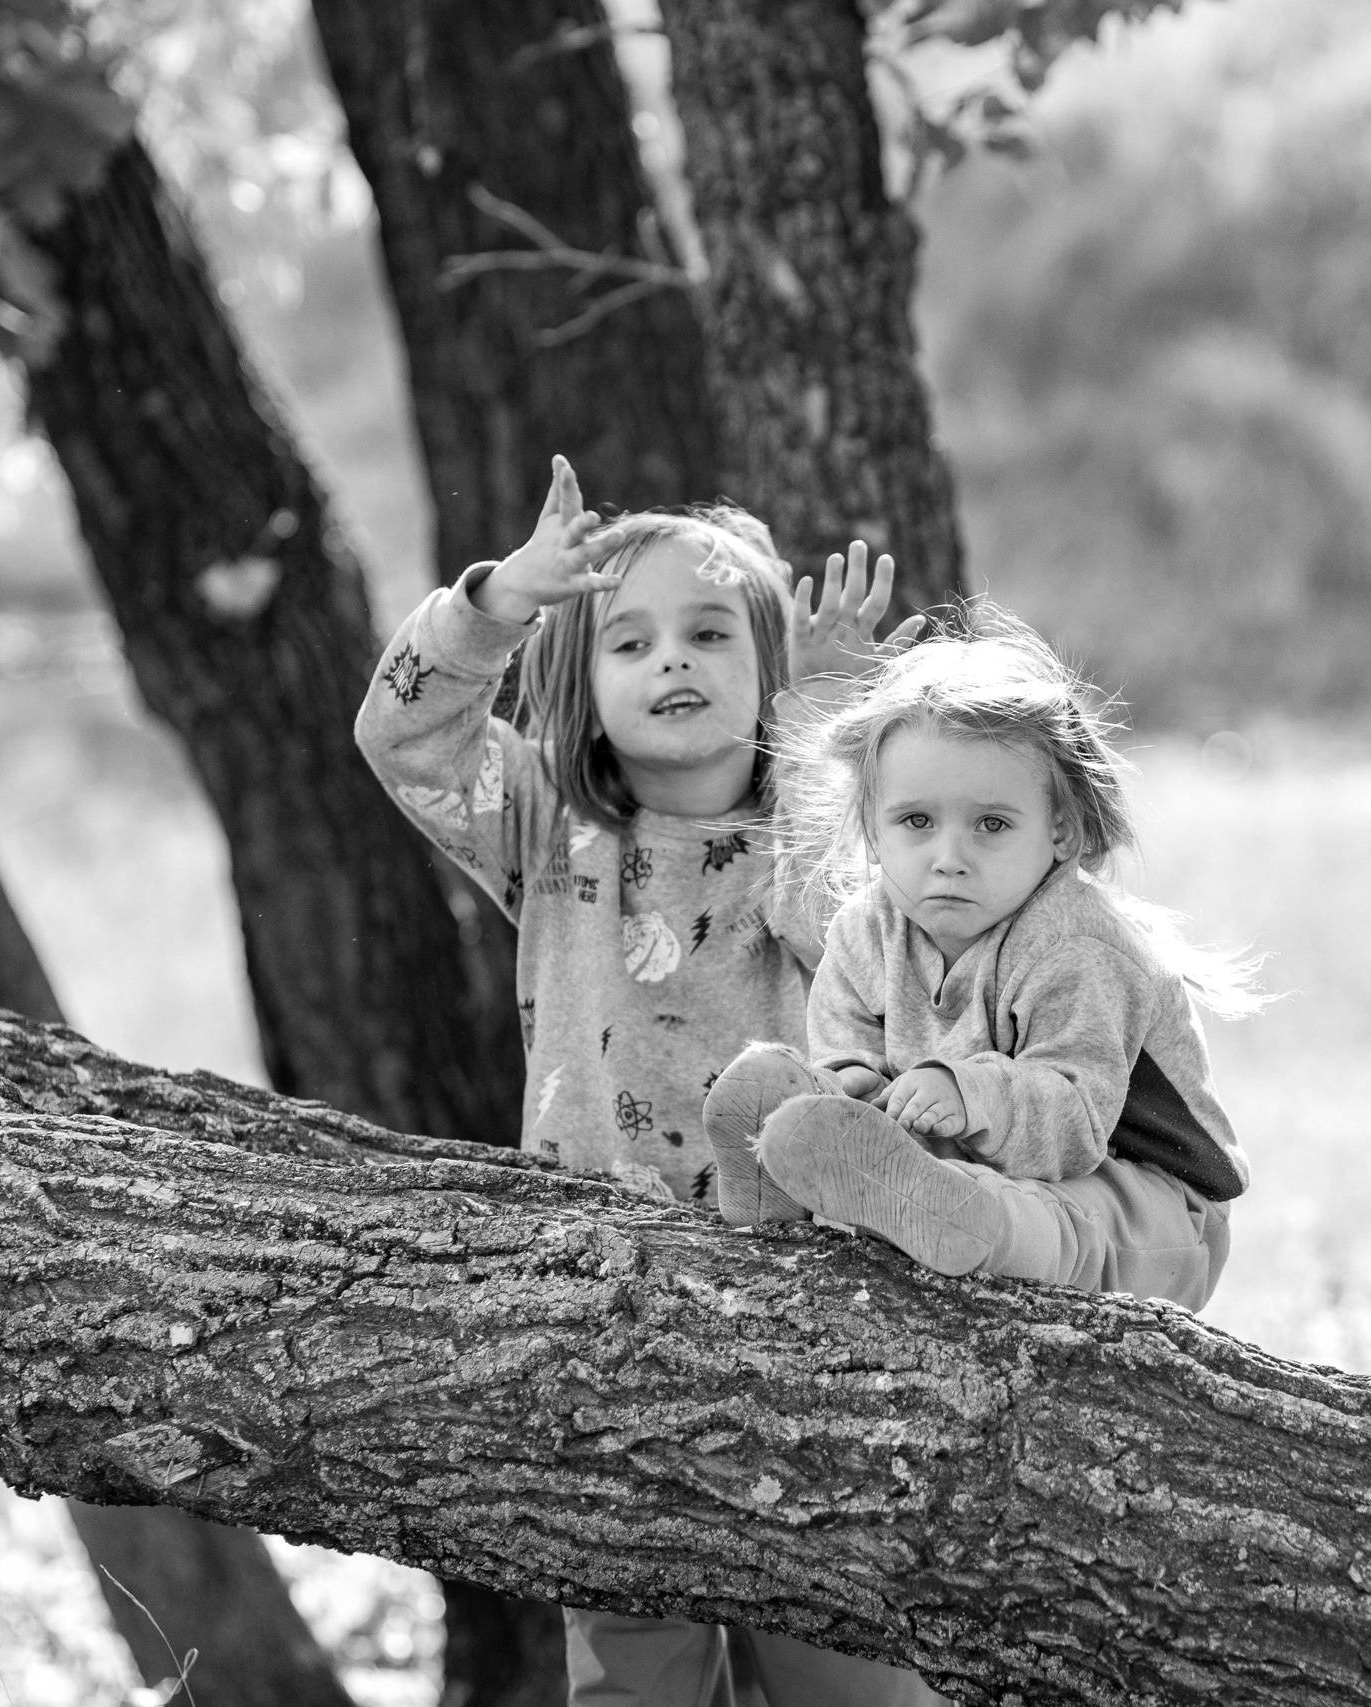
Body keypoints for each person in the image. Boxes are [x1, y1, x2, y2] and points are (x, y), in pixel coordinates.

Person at [356, 456, 943, 1707]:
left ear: (768, 669)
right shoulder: (543, 825)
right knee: (635, 1671)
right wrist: (498, 604)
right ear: (582, 686)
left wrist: (823, 742)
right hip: (601, 1317)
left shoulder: (826, 830)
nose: (672, 659)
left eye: (711, 633)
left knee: (846, 1666)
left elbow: (867, 958)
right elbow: (400, 736)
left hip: (807, 1310)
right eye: (630, 641)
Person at [705, 614, 1260, 1312]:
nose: (949, 857)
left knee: (1055, 1214)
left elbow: (1072, 1125)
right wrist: (845, 1090)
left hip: (1147, 1203)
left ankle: (973, 1222)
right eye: (917, 821)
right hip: (984, 1161)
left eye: (991, 824)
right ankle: (779, 1171)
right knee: (865, 1132)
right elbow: (853, 1055)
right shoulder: (865, 933)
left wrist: (968, 1093)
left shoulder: (1078, 947)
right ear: (873, 824)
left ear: (1060, 831)